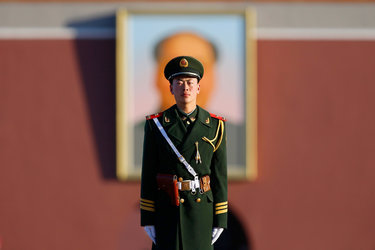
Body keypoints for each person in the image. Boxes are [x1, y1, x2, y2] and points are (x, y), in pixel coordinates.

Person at [140, 56, 228, 250]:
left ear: (198, 87)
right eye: (179, 83)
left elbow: (219, 176)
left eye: (190, 82)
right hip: (168, 210)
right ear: (171, 88)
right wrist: (148, 216)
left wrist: (220, 218)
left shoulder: (215, 125)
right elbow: (148, 173)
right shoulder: (157, 124)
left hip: (201, 210)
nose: (185, 88)